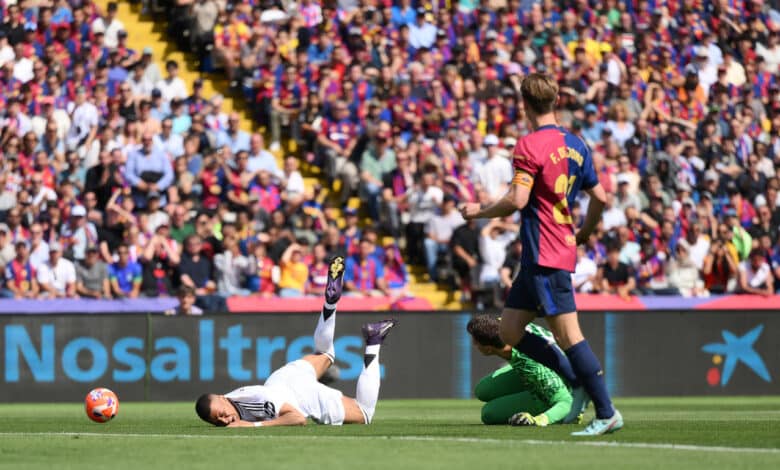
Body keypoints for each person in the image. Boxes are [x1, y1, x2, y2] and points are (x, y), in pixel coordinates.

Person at [460, 73, 622, 436]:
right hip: (546, 253)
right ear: (556, 101)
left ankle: (606, 411)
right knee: (510, 329)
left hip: (546, 254)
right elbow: (600, 198)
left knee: (571, 337)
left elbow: (517, 201)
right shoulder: (577, 144)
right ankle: (574, 382)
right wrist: (583, 233)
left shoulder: (529, 145)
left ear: (524, 104)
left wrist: (478, 211)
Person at [195, 257, 396, 427]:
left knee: (364, 413)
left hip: (300, 395)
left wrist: (253, 425)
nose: (224, 419)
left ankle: (374, 339)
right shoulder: (230, 399)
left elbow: (297, 418)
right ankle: (329, 304)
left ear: (222, 398)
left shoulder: (255, 402)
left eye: (221, 412)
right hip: (280, 380)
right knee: (326, 354)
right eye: (217, 420)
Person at [468, 315, 575, 426]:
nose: (473, 344)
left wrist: (540, 419)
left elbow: (567, 402)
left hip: (556, 385)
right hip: (538, 365)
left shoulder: (534, 367)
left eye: (476, 341)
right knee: (483, 390)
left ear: (488, 348)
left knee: (488, 414)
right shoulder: (506, 323)